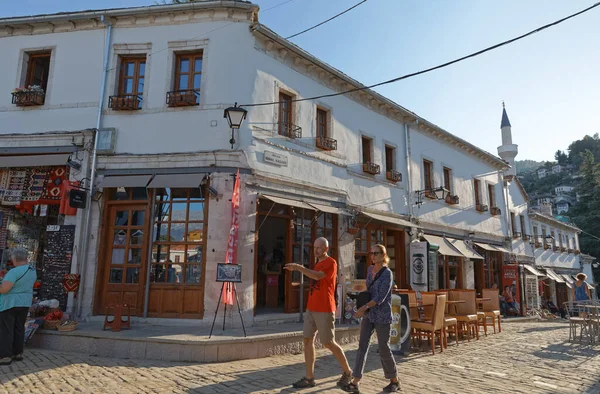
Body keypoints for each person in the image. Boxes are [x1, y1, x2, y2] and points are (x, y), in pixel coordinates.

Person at [285, 237, 353, 389]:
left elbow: (317, 276)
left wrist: (298, 267)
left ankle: (348, 372)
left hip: (325, 308)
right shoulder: (317, 262)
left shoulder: (331, 262)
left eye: (319, 247)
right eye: (315, 247)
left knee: (328, 342)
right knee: (307, 340)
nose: (316, 250)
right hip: (311, 307)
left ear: (326, 249)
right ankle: (309, 378)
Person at [344, 244, 400, 393]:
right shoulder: (370, 270)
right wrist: (358, 297)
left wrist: (363, 308)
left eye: (375, 253)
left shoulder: (388, 273)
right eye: (371, 253)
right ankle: (355, 381)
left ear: (383, 255)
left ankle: (394, 379)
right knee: (362, 346)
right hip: (369, 314)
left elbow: (381, 297)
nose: (372, 256)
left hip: (382, 315)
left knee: (383, 348)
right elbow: (369, 289)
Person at [0, 248, 37, 366]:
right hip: (24, 303)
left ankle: (5, 356)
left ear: (15, 259)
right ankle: (18, 353)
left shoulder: (14, 272)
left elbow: (4, 290)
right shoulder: (32, 271)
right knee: (19, 328)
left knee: (7, 329)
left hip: (10, 303)